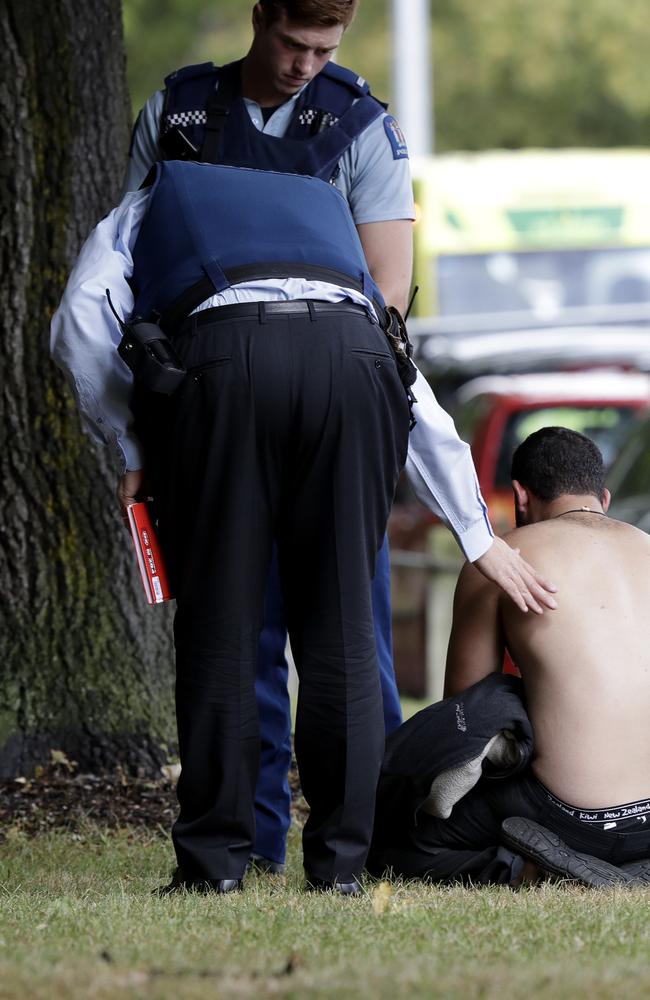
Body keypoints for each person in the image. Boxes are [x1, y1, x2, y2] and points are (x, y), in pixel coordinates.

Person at [118, 0, 558, 874]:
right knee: (244, 632)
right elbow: (133, 265)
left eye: (325, 49)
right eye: (291, 43)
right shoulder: (177, 113)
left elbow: (386, 304)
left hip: (304, 390)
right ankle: (266, 842)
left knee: (338, 630)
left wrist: (473, 528)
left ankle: (353, 847)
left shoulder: (360, 125)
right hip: (243, 388)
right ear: (259, 19)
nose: (304, 65)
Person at [369, 427, 650, 887]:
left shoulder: (502, 560)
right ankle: (629, 865)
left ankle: (530, 871)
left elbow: (463, 718)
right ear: (605, 496)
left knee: (393, 846)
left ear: (520, 496)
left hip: (570, 818)